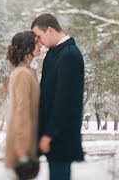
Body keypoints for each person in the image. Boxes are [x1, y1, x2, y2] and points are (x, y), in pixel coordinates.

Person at [31, 13, 84, 180]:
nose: (38, 41)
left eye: (39, 36)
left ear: (50, 30)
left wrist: (49, 134)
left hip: (60, 136)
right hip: (52, 136)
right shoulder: (54, 53)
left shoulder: (69, 55)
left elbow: (65, 101)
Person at [4, 30, 41, 179]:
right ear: (27, 48)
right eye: (36, 42)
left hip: (26, 138)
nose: (40, 45)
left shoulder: (26, 72)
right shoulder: (22, 74)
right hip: (21, 141)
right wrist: (21, 145)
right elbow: (22, 109)